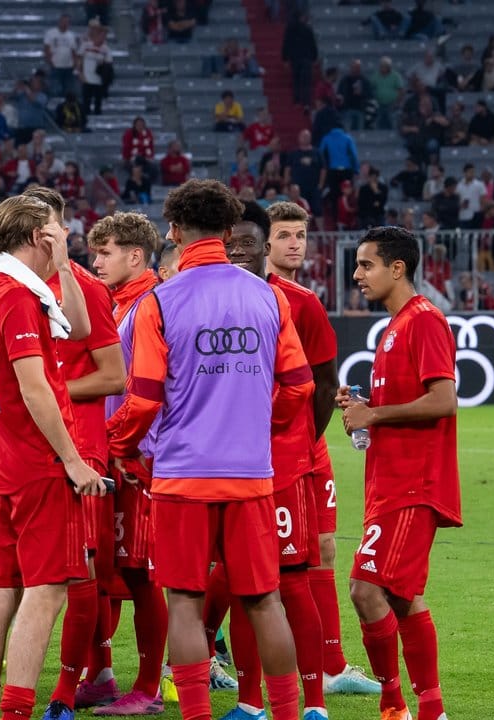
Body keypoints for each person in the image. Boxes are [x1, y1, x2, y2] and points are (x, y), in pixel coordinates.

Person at [106, 179, 314, 720]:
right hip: (250, 474)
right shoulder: (269, 295)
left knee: (185, 602)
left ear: (173, 232)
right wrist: (255, 426)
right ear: (228, 231)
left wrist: (121, 445)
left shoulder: (160, 300)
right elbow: (299, 386)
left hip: (182, 476)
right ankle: (288, 715)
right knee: (265, 600)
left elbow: (145, 396)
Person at [0, 194, 109, 720]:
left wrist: (65, 266)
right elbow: (36, 389)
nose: (66, 232)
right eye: (58, 229)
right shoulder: (19, 301)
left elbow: (81, 329)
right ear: (36, 236)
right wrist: (71, 459)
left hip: (3, 457)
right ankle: (18, 710)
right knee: (45, 593)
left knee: (2, 586)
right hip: (37, 462)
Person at [337, 226, 460, 720]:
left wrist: (376, 416)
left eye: (366, 265)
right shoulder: (393, 328)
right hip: (388, 484)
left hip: (414, 484)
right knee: (401, 595)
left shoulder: (424, 321)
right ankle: (428, 709)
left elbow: (444, 401)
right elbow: (402, 408)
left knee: (365, 589)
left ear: (397, 268)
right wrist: (365, 411)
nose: (357, 274)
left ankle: (395, 706)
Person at [263, 201, 383, 695]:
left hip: (308, 445)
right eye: (284, 235)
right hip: (268, 446)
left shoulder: (304, 300)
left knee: (324, 548)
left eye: (301, 234)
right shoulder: (259, 296)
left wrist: (326, 402)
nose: (295, 243)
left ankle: (331, 667)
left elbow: (314, 377)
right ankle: (205, 655)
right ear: (263, 242)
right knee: (252, 560)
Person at [222, 201, 329, 720]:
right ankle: (248, 701)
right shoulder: (210, 299)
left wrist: (300, 444)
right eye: (228, 243)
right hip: (225, 468)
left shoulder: (299, 303)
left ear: (263, 245)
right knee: (242, 583)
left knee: (291, 582)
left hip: (282, 467)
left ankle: (314, 703)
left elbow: (321, 385)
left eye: (246, 242)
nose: (237, 251)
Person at [24, 186, 127, 716]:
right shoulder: (13, 286)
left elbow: (114, 375)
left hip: (80, 449)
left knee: (81, 570)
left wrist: (42, 388)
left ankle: (69, 690)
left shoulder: (83, 286)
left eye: (46, 227)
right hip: (23, 450)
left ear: (62, 231)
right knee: (7, 571)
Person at [87, 211, 172, 716]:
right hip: (109, 454)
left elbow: (149, 389)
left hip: (136, 458)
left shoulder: (148, 304)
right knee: (98, 566)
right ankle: (101, 674)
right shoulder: (117, 301)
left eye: (106, 252)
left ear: (135, 256)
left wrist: (130, 448)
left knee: (142, 576)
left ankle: (149, 686)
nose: (97, 261)